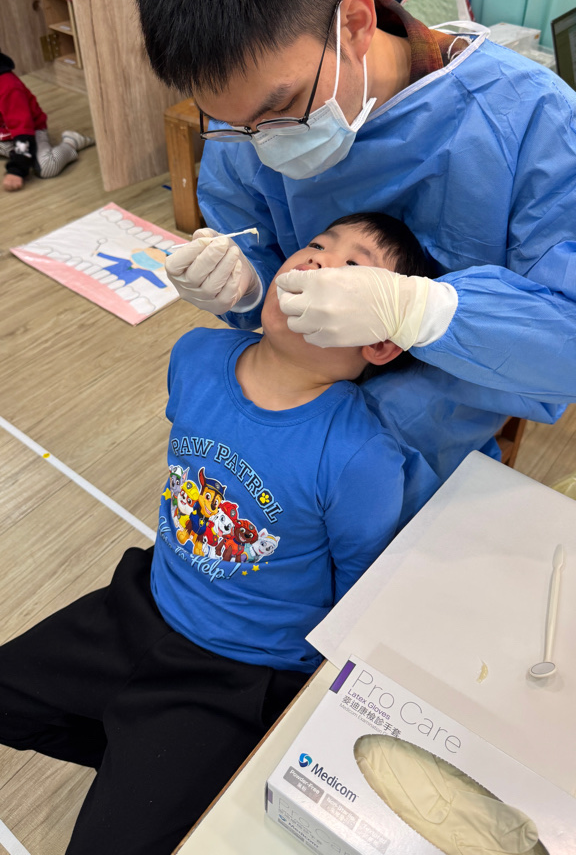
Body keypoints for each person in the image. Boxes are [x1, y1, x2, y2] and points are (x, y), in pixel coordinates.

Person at [132, 0, 576, 505]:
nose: (263, 143)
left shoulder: (531, 121)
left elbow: (565, 343)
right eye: (235, 125)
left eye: (283, 107)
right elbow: (253, 248)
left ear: (357, 23)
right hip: (288, 430)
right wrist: (246, 284)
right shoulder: (246, 126)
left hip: (426, 457)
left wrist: (424, 312)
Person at [0, 212, 431, 855]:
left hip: (237, 673)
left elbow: (357, 595)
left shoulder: (361, 456)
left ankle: (183, 776)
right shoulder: (196, 354)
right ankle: (142, 762)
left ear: (381, 346)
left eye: (352, 266)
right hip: (138, 604)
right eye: (316, 244)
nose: (316, 260)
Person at [0, 50, 93, 191]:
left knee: (47, 167)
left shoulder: (8, 87)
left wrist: (16, 170)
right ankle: (22, 154)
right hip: (5, 133)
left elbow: (23, 131)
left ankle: (71, 142)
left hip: (29, 131)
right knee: (24, 154)